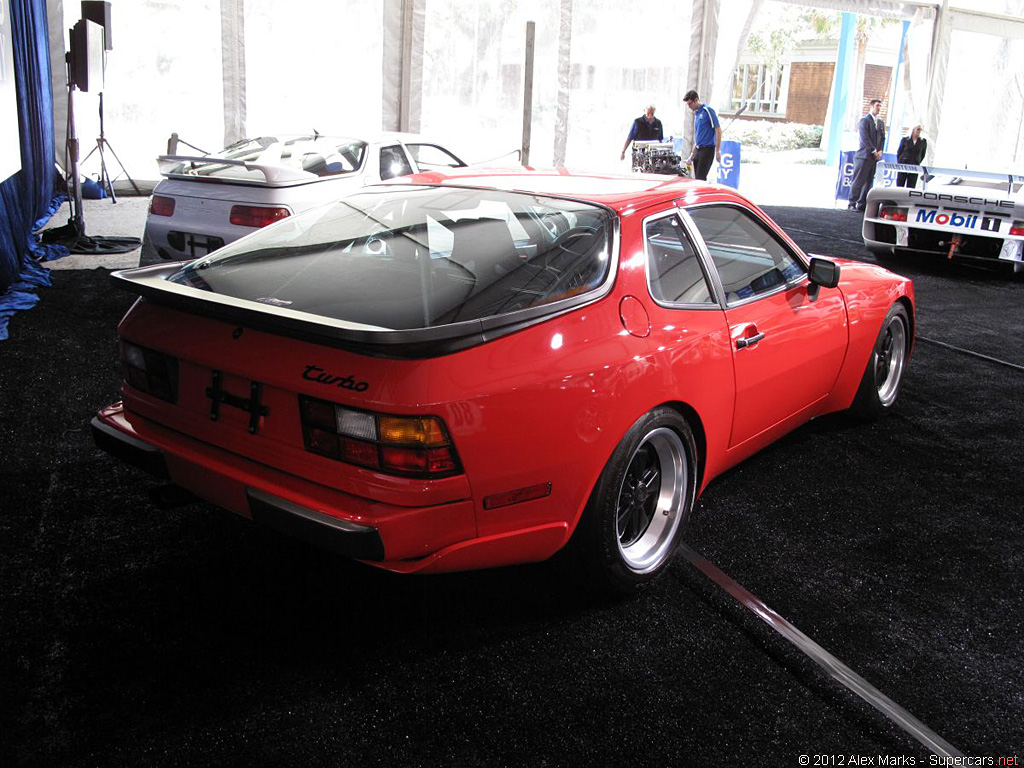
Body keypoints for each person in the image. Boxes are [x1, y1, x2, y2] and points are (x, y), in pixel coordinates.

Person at [848, 98, 885, 211]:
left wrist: (880, 151)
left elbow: (882, 138)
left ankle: (862, 204)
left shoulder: (880, 123)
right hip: (864, 156)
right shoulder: (864, 120)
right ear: (872, 106)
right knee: (859, 180)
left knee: (869, 182)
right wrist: (873, 151)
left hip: (874, 158)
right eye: (877, 105)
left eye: (880, 106)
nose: (879, 108)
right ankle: (852, 203)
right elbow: (864, 138)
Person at [683, 90, 721, 181]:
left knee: (701, 177)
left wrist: (718, 151)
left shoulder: (707, 111)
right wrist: (692, 154)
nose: (689, 106)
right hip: (699, 149)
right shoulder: (696, 114)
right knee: (697, 178)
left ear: (696, 100)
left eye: (690, 104)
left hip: (707, 149)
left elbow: (718, 130)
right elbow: (699, 136)